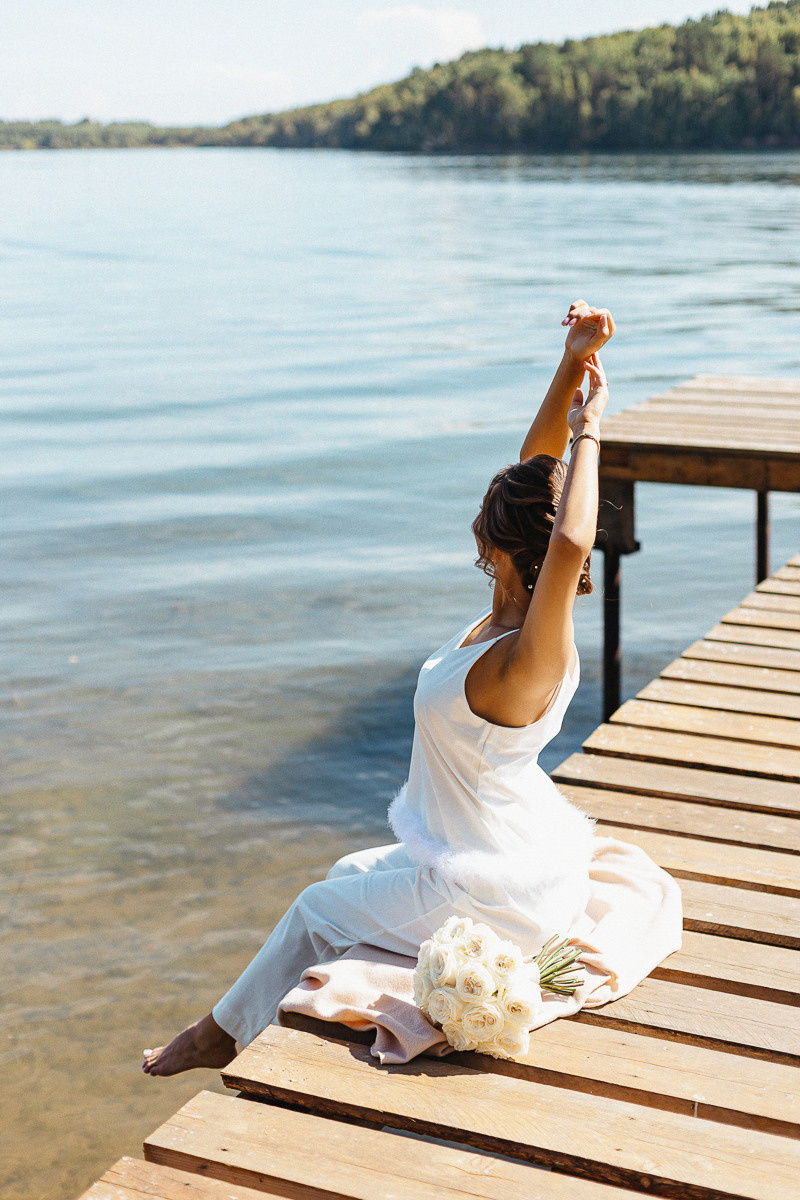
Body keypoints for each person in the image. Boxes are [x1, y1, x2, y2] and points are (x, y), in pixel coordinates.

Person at [142, 299, 682, 1076]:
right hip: (509, 849)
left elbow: (568, 537)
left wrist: (594, 421)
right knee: (344, 876)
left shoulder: (527, 652)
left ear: (498, 546)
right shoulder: (507, 618)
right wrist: (574, 361)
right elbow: (539, 484)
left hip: (495, 891)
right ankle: (273, 1008)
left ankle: (216, 1036)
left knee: (314, 906)